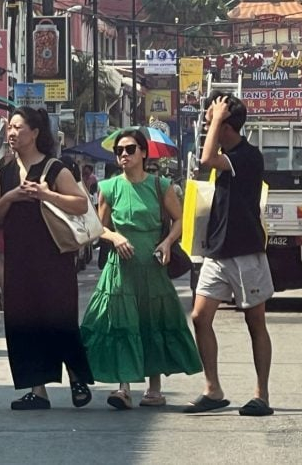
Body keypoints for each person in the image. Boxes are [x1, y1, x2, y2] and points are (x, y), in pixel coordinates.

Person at [81, 129, 201, 410]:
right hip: (121, 267)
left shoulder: (161, 185)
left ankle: (154, 388)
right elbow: (98, 228)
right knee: (121, 323)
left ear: (144, 153)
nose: (124, 154)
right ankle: (123, 387)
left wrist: (169, 242)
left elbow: (179, 219)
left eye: (130, 149)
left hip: (153, 263)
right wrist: (115, 237)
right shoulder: (109, 187)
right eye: (119, 151)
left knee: (152, 322)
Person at [0, 106, 94, 410]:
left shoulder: (54, 167)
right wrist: (11, 196)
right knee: (23, 322)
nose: (12, 133)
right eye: (9, 128)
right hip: (18, 260)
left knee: (59, 318)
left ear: (35, 133)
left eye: (18, 127)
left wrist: (47, 195)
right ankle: (37, 389)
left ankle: (76, 377)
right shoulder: (4, 171)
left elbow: (81, 204)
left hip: (53, 258)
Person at [187, 94, 274, 417]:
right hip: (217, 250)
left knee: (255, 321)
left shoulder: (248, 156)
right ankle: (213, 389)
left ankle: (261, 394)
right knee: (199, 317)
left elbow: (207, 158)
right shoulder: (226, 154)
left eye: (211, 118)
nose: (206, 122)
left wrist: (218, 115)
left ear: (226, 124)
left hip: (246, 252)